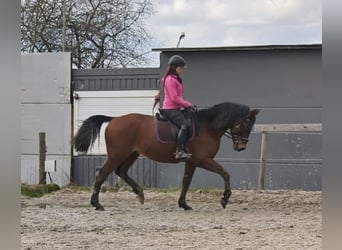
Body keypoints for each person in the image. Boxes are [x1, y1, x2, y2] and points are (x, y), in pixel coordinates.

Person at [161, 55, 193, 160]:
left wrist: (185, 105)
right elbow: (174, 98)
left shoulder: (176, 79)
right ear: (174, 67)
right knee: (185, 125)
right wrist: (187, 104)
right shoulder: (170, 80)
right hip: (170, 109)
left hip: (176, 108)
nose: (182, 70)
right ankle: (179, 151)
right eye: (181, 68)